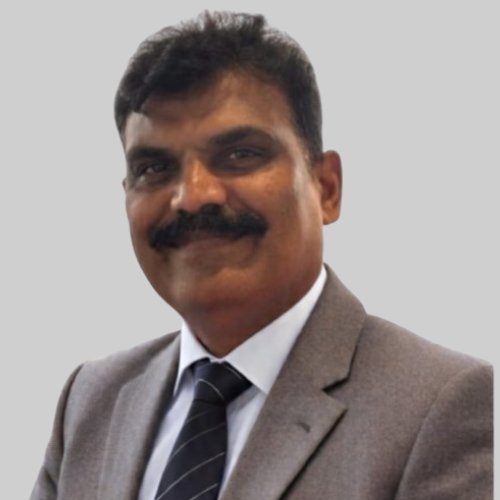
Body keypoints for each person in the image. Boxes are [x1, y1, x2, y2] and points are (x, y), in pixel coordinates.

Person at [31, 11, 492, 500]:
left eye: (240, 155)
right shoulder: (91, 401)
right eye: (154, 168)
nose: (193, 196)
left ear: (326, 188)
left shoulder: (438, 407)